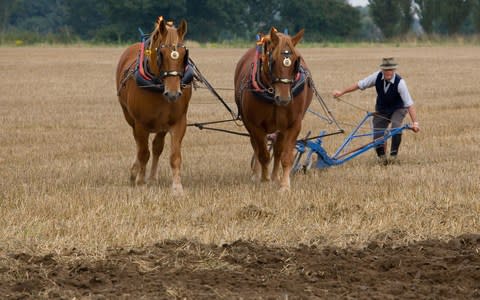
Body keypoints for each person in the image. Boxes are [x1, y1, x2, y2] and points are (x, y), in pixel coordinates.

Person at [333, 57, 420, 165]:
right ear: (382, 70)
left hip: (398, 108)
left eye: (390, 70)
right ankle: (383, 159)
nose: (388, 72)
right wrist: (342, 92)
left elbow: (409, 103)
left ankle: (393, 157)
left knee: (396, 127)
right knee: (377, 134)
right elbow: (360, 84)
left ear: (394, 70)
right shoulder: (377, 76)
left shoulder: (400, 83)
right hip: (382, 109)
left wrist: (415, 123)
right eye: (385, 70)